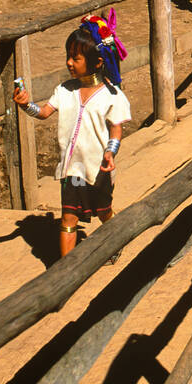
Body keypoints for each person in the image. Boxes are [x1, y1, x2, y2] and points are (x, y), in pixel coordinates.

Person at [13, 15, 130, 258]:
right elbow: (44, 113)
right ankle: (65, 270)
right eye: (69, 56)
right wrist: (26, 105)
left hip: (99, 170)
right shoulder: (65, 91)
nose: (69, 63)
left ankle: (116, 241)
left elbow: (116, 128)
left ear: (97, 62)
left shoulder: (112, 95)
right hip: (71, 170)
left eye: (75, 58)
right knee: (68, 216)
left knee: (103, 211)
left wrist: (110, 152)